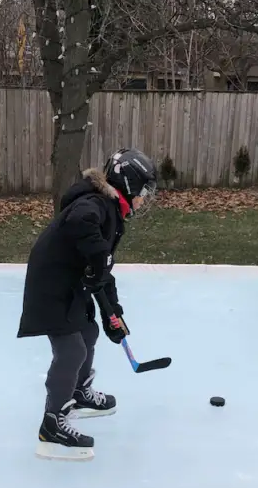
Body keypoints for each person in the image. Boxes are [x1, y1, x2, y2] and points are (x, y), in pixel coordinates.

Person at [17, 148, 158, 461]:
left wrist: (113, 315)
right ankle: (52, 424)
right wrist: (99, 256)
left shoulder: (111, 210)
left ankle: (78, 392)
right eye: (143, 192)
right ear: (129, 185)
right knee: (72, 350)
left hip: (68, 284)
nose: (144, 200)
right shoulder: (94, 204)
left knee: (90, 333)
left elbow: (101, 272)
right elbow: (83, 225)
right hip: (52, 285)